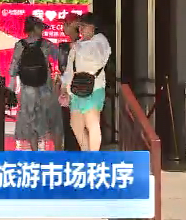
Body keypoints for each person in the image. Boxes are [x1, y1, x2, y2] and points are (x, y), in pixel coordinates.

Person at [8, 15, 63, 151]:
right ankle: (56, 151)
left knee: (30, 122)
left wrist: (11, 89)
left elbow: (13, 69)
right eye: (41, 28)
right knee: (51, 120)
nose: (42, 31)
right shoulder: (46, 44)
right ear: (35, 28)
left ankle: (34, 151)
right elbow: (59, 57)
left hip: (27, 90)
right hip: (45, 88)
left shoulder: (19, 45)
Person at [61, 13, 111, 152]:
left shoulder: (100, 41)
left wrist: (77, 47)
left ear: (93, 27)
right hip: (76, 88)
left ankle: (92, 157)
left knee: (92, 123)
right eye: (80, 26)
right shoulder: (78, 44)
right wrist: (64, 88)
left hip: (94, 88)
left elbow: (96, 57)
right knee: (75, 124)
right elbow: (69, 70)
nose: (81, 29)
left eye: (84, 26)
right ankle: (86, 151)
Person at [57, 14, 82, 151]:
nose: (63, 27)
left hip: (77, 91)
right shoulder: (65, 47)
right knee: (68, 126)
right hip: (68, 92)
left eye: (65, 24)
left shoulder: (81, 46)